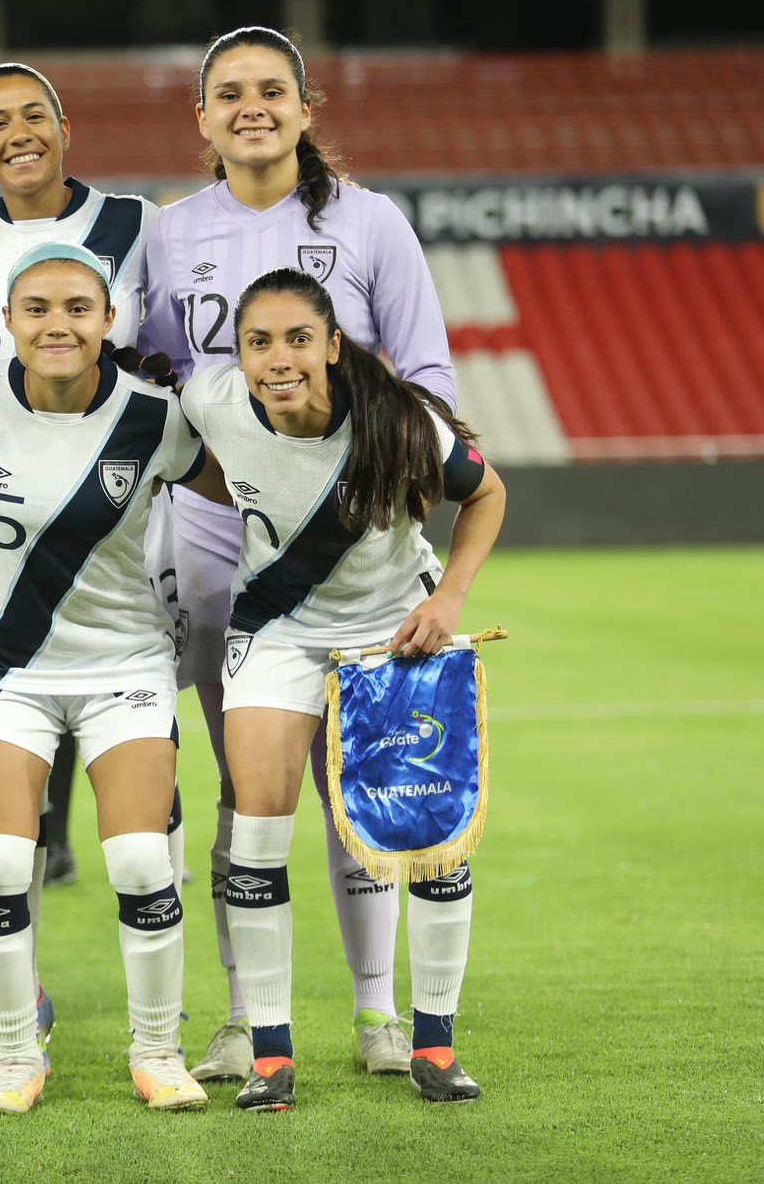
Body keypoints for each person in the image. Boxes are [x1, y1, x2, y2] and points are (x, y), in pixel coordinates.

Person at [138, 27, 461, 1083]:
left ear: (304, 107)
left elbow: (425, 376)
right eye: (228, 93)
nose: (252, 108)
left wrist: (378, 489)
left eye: (271, 90)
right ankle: (246, 1019)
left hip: (352, 539)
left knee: (358, 786)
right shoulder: (169, 233)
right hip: (212, 542)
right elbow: (158, 382)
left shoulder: (370, 222)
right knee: (249, 783)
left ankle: (376, 1014)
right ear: (201, 117)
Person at [181, 268, 504, 1111]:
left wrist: (449, 598)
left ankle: (435, 1044)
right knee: (256, 831)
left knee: (432, 837)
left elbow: (487, 493)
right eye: (259, 343)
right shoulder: (211, 401)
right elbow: (192, 464)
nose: (278, 359)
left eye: (298, 339)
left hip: (394, 634)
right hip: (276, 631)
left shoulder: (400, 419)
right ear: (238, 355)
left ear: (331, 345)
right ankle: (271, 1057)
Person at [0, 244, 224, 1116]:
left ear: (108, 321)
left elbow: (242, 486)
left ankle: (158, 1052)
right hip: (3, 666)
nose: (56, 324)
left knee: (140, 858)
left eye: (76, 308)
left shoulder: (156, 417)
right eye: (37, 309)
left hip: (124, 662)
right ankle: (16, 1057)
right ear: (7, 322)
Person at [0, 61, 176, 1061]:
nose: (17, 133)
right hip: (5, 505)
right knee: (4, 839)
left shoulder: (138, 223)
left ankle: (167, 1030)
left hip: (123, 509)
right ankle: (18, 1013)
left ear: (66, 126)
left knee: (147, 834)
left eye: (34, 114)